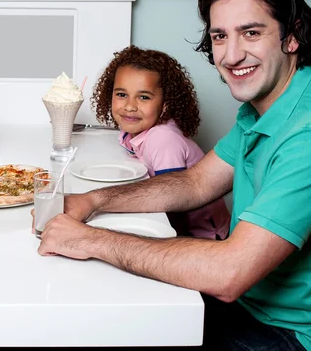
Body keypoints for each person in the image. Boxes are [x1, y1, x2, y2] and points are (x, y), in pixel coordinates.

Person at [37, 0, 311, 351]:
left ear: (293, 35)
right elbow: (196, 182)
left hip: (286, 334)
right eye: (220, 36)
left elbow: (229, 273)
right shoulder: (263, 109)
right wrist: (93, 201)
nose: (232, 56)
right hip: (246, 305)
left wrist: (90, 239)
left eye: (251, 32)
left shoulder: (304, 131)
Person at [91, 45, 230, 239]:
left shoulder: (163, 138)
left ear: (165, 105)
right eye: (121, 94)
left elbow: (173, 200)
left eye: (144, 97)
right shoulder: (131, 130)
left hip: (201, 236)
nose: (130, 106)